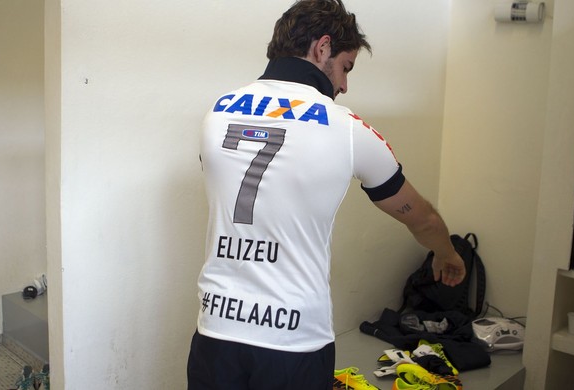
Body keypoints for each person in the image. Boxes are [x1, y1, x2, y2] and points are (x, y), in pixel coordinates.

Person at [187, 1, 466, 388]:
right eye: (346, 67)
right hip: (294, 339)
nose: (344, 85)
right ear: (322, 48)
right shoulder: (347, 128)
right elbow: (423, 219)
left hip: (215, 332)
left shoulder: (216, 112)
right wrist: (446, 253)